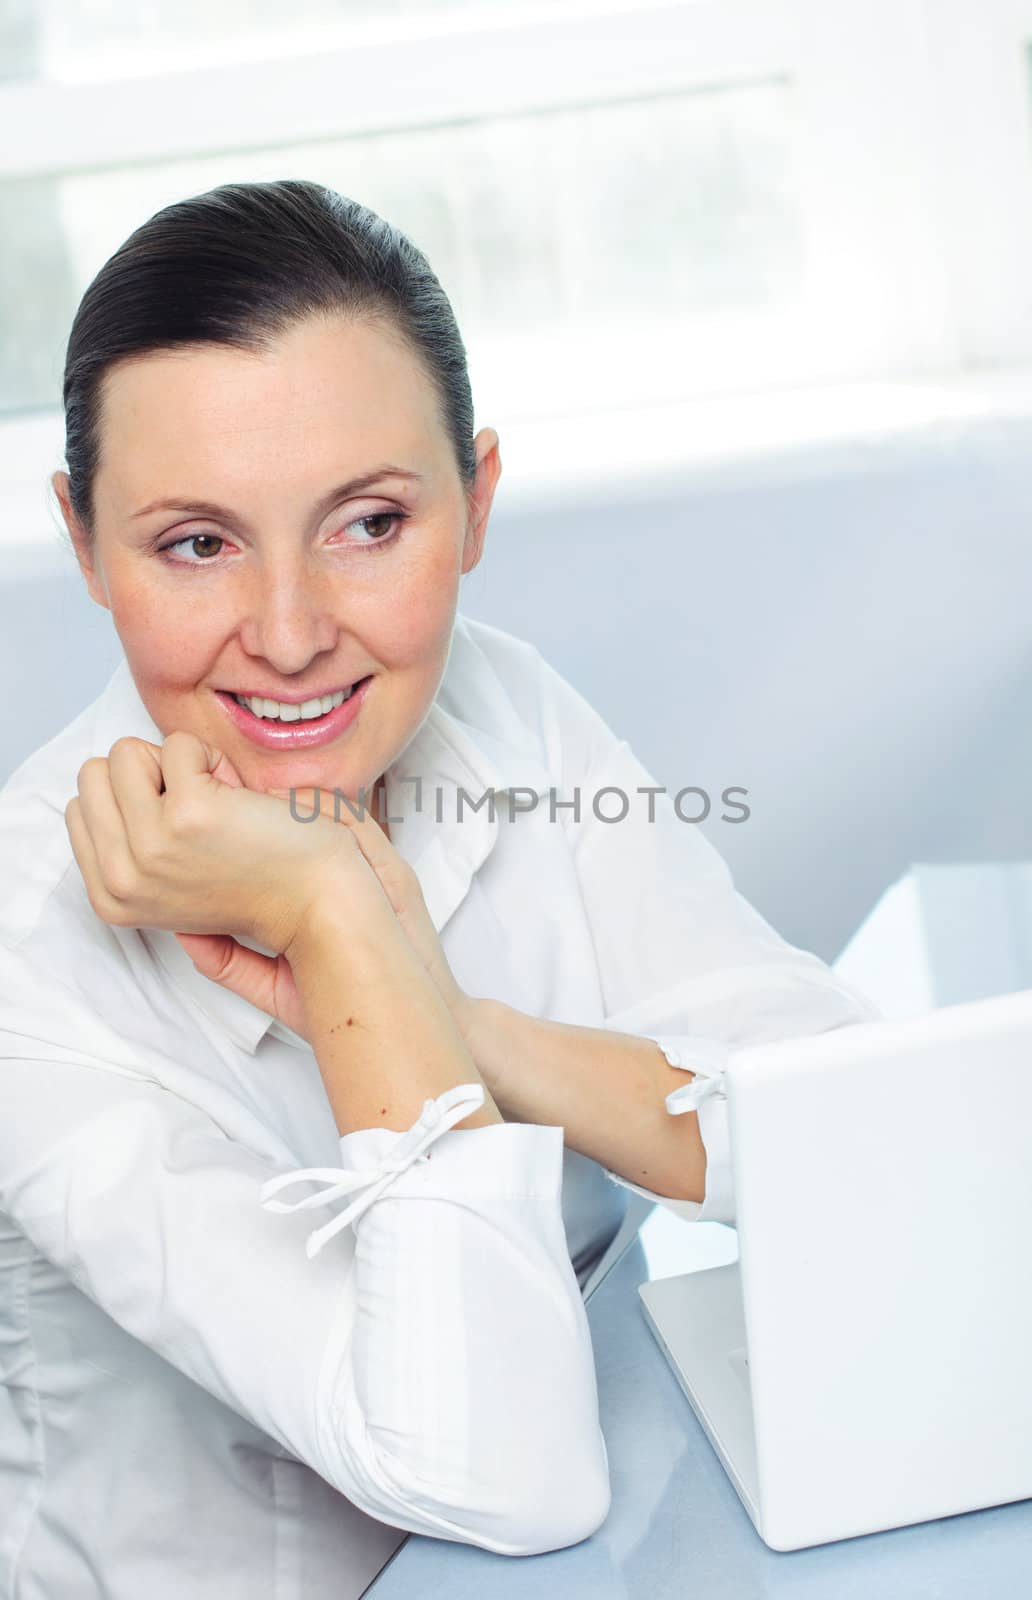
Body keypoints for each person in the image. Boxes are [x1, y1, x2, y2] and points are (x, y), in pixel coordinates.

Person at [0, 179, 881, 1598]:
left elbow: (854, 1140)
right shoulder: (22, 953)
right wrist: (344, 920)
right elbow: (497, 1476)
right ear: (86, 536)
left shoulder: (502, 708)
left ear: (473, 502)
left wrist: (435, 1013)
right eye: (196, 542)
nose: (290, 636)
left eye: (367, 523)